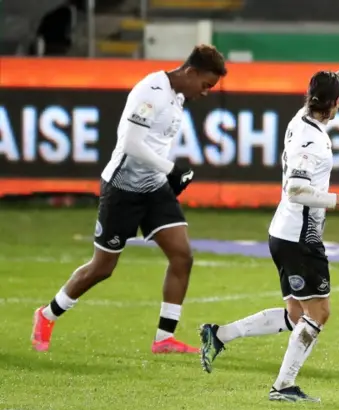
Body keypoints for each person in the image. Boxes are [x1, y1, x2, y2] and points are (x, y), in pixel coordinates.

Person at [199, 33, 339, 403]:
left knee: (296, 314)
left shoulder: (301, 119)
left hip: (284, 233)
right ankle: (282, 387)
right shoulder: (311, 141)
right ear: (337, 104)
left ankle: (218, 335)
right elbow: (296, 191)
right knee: (319, 313)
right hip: (299, 238)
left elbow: (330, 92)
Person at [30, 45, 228, 354]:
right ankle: (46, 314)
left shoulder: (177, 95)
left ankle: (164, 339)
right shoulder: (152, 91)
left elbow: (154, 143)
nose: (205, 93)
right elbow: (132, 144)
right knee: (102, 268)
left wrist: (167, 174)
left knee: (182, 255)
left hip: (154, 187)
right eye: (206, 85)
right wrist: (171, 168)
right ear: (191, 73)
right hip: (122, 189)